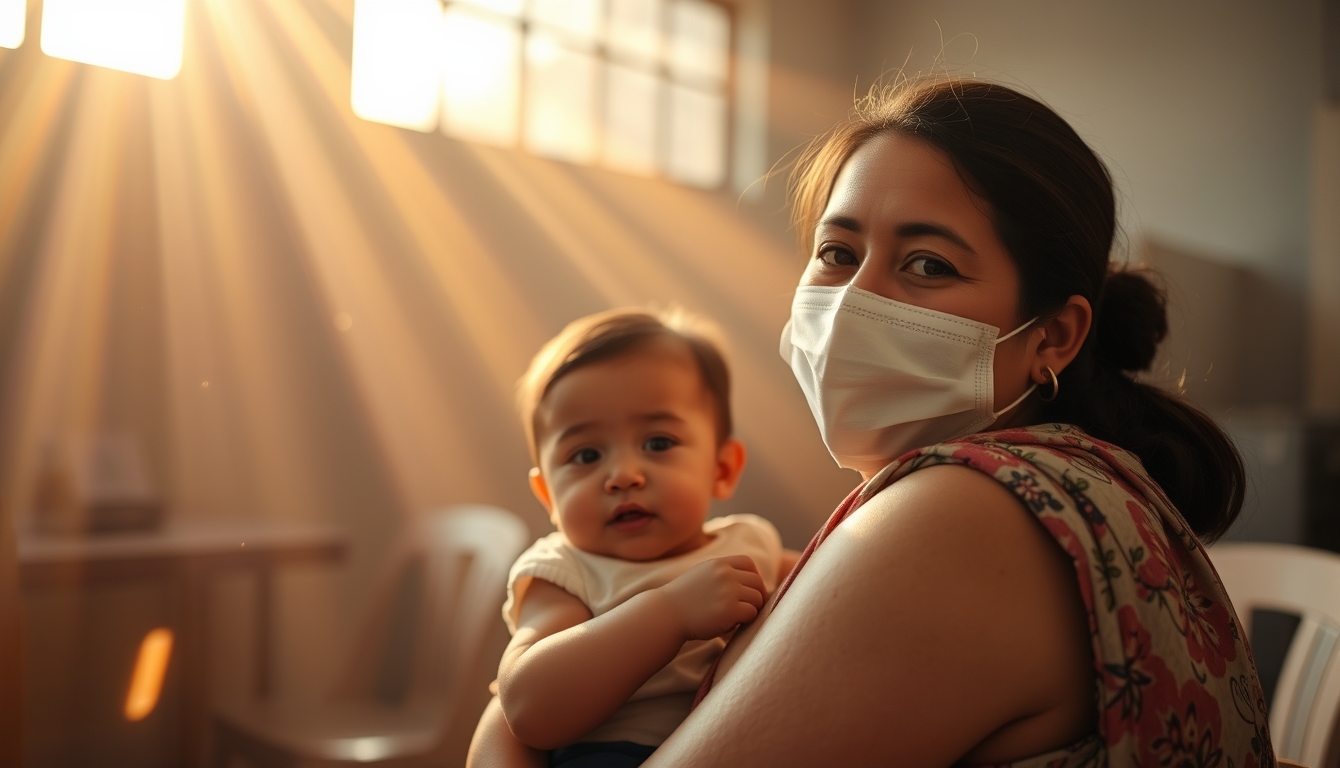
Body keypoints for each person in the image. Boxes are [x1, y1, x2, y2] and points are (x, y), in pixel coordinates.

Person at [472, 78, 1273, 767]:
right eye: (837, 251)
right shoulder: (1070, 477)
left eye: (928, 264)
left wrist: (499, 737)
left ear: (1053, 337)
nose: (856, 301)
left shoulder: (961, 513)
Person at [484, 308, 801, 768]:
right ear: (548, 495)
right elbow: (528, 709)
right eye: (586, 454)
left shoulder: (753, 543)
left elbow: (842, 587)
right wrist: (670, 612)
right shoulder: (566, 572)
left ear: (722, 468)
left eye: (657, 443)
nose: (624, 476)